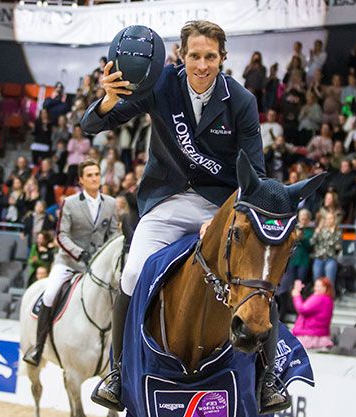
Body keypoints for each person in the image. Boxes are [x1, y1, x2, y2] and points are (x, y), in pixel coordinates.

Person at [80, 20, 281, 411]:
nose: (201, 65)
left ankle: (269, 377)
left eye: (210, 57)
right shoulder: (162, 85)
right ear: (180, 56)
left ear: (223, 58)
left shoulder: (241, 101)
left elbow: (255, 176)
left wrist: (224, 217)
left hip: (220, 207)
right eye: (194, 56)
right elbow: (92, 125)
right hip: (167, 201)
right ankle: (118, 372)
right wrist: (105, 99)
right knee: (133, 273)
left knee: (260, 277)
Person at [22, 160, 118, 369]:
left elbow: (113, 235)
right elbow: (62, 235)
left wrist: (104, 257)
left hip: (98, 267)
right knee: (50, 293)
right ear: (81, 180)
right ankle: (38, 346)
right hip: (70, 263)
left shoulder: (110, 203)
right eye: (90, 175)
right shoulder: (70, 203)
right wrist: (79, 253)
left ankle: (118, 355)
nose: (95, 178)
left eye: (97, 174)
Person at [290, 278, 334, 350]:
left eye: (319, 286)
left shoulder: (319, 298)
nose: (316, 288)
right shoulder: (328, 299)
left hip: (309, 335)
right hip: (318, 335)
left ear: (325, 288)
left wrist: (296, 295)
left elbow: (302, 309)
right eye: (316, 286)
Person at [310, 212, 342, 287]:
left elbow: (338, 246)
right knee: (317, 281)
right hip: (319, 258)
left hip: (331, 258)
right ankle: (318, 298)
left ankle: (329, 298)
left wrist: (333, 232)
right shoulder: (320, 230)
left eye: (331, 218)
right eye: (327, 218)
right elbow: (312, 242)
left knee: (329, 282)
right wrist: (316, 232)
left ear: (334, 220)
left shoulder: (338, 231)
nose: (329, 220)